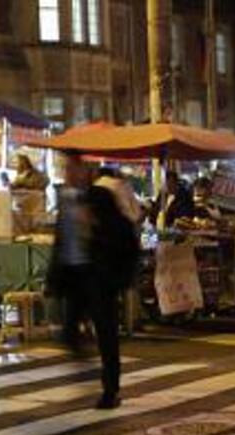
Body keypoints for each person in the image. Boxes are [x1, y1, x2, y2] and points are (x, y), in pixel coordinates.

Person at [44, 152, 139, 409]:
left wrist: (94, 225)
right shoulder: (64, 199)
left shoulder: (101, 197)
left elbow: (124, 233)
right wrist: (53, 280)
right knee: (68, 332)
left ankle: (110, 389)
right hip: (74, 275)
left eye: (75, 169)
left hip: (99, 275)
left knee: (106, 333)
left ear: (86, 171)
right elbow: (60, 241)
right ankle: (86, 363)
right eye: (66, 169)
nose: (70, 174)